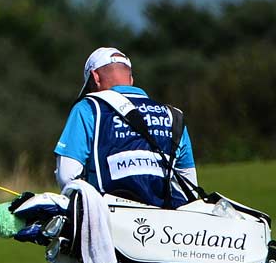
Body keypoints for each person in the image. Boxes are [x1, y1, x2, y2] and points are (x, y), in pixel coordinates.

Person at [54, 46, 199, 208]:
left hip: (112, 220)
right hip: (167, 223)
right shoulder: (174, 115)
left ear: (95, 77)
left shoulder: (88, 107)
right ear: (131, 80)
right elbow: (189, 186)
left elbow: (67, 176)